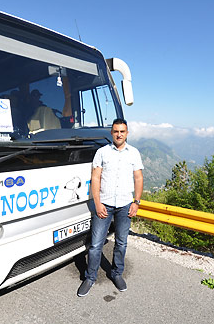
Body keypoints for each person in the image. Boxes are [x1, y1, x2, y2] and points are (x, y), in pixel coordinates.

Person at [77, 118, 143, 297]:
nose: (119, 134)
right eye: (116, 131)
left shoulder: (134, 153)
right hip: (104, 204)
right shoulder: (102, 152)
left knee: (121, 243)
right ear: (111, 133)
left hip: (125, 205)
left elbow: (138, 178)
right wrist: (97, 203)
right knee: (96, 245)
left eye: (122, 131)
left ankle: (116, 274)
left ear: (127, 133)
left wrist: (136, 202)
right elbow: (96, 178)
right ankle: (90, 278)